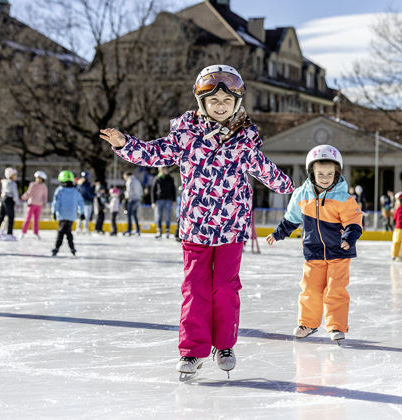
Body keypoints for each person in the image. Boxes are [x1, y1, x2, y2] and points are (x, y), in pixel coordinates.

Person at [99, 64, 294, 377]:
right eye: (214, 102)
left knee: (226, 289)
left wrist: (293, 189)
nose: (220, 107)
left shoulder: (244, 142)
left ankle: (225, 344)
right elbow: (152, 153)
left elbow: (267, 171)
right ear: (202, 104)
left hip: (231, 228)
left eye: (227, 102)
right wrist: (125, 144)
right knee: (195, 288)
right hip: (196, 226)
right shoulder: (186, 138)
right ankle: (192, 350)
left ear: (237, 105)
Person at [266, 145, 362, 343]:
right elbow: (291, 219)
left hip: (339, 253)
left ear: (337, 174)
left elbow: (354, 221)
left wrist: (349, 238)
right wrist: (277, 234)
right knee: (310, 290)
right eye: (320, 173)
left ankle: (335, 326)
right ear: (311, 172)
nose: (325, 177)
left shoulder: (344, 198)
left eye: (330, 173)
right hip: (313, 251)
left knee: (335, 290)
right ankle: (308, 323)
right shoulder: (302, 195)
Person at [51, 170, 84, 256]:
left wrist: (54, 212)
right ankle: (72, 248)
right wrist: (82, 212)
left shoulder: (59, 190)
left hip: (62, 214)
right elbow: (81, 202)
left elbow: (56, 202)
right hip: (71, 215)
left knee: (61, 232)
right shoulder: (75, 191)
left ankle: (57, 248)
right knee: (67, 231)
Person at [20, 170, 48, 239]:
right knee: (27, 219)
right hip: (31, 204)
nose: (38, 179)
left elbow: (45, 195)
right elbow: (29, 193)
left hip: (39, 205)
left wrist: (44, 202)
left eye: (39, 178)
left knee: (36, 220)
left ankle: (36, 233)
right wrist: (23, 197)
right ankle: (23, 232)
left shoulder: (44, 186)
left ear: (42, 179)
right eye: (37, 178)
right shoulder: (32, 184)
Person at [0, 167, 19, 241]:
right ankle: (9, 234)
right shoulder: (13, 183)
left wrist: (0, 202)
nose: (16, 176)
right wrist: (17, 203)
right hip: (9, 200)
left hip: (3, 199)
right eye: (15, 175)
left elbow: (2, 193)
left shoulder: (4, 182)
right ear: (11, 175)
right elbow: (15, 194)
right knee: (11, 217)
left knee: (1, 216)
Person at [151, 166, 177, 238]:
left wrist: (174, 200)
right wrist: (153, 202)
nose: (163, 170)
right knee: (158, 216)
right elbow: (153, 191)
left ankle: (167, 231)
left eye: (164, 169)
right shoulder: (157, 178)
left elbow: (173, 190)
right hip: (159, 200)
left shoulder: (170, 178)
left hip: (168, 200)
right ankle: (159, 231)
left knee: (167, 216)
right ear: (159, 170)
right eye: (162, 169)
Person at [123, 171, 142, 236]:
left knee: (129, 215)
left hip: (131, 199)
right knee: (135, 215)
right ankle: (137, 230)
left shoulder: (129, 181)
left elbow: (129, 191)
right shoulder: (137, 181)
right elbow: (141, 191)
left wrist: (126, 197)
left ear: (127, 175)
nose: (124, 178)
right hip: (138, 199)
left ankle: (129, 230)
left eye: (124, 177)